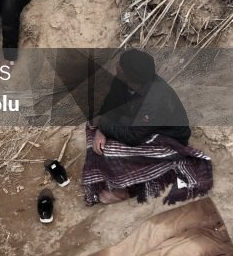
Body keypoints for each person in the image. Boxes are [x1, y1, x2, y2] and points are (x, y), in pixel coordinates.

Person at [86, 50, 204, 205]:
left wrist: (104, 125)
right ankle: (115, 177)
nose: (116, 65)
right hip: (138, 125)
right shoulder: (121, 81)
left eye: (120, 64)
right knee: (92, 128)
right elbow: (110, 107)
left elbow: (134, 137)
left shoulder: (157, 99)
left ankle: (130, 189)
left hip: (167, 140)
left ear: (123, 71)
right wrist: (102, 129)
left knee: (110, 149)